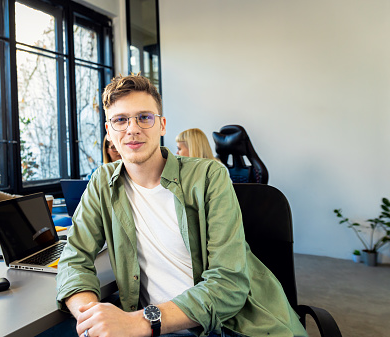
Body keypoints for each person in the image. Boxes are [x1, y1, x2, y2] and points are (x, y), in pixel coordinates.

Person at [56, 75, 307, 337]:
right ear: (109, 131)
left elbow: (228, 284)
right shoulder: (102, 181)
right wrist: (92, 319)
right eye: (120, 120)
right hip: (158, 329)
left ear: (161, 125)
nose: (132, 129)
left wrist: (141, 322)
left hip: (229, 326)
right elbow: (74, 258)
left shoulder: (209, 176)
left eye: (144, 117)